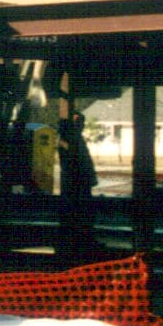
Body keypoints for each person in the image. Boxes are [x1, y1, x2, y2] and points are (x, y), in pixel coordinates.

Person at [58, 112, 99, 263]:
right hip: (77, 186)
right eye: (79, 123)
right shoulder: (69, 140)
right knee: (80, 215)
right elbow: (76, 163)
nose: (81, 126)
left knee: (84, 215)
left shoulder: (74, 140)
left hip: (80, 185)